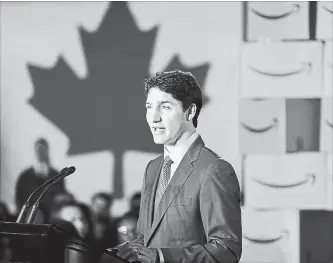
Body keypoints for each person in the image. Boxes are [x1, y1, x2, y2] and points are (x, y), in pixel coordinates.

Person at [112, 70, 242, 263]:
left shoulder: (214, 169)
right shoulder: (153, 168)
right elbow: (147, 238)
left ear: (190, 112)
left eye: (165, 107)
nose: (153, 118)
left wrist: (163, 257)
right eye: (149, 107)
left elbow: (226, 249)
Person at [14, 138, 66, 220]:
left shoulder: (56, 174)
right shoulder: (25, 176)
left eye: (43, 150)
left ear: (47, 151)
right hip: (32, 211)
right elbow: (19, 198)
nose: (40, 153)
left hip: (52, 211)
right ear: (35, 152)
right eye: (38, 150)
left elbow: (61, 193)